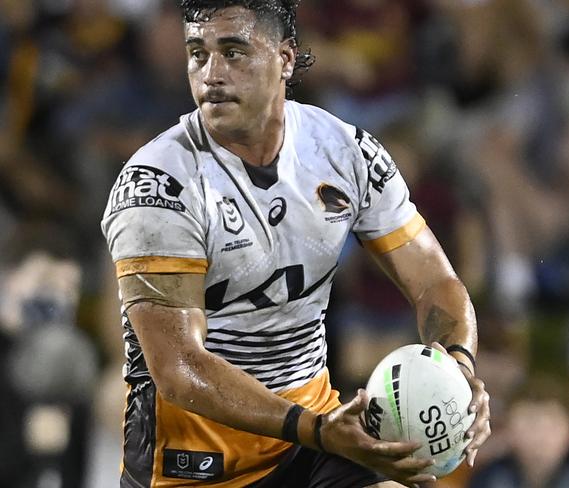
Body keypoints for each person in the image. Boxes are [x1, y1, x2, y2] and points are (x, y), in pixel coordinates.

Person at [100, 1, 491, 487]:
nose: (212, 74)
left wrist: (457, 369)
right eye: (197, 54)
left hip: (310, 440)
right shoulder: (157, 185)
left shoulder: (345, 152)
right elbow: (179, 368)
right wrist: (318, 429)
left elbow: (434, 280)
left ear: (285, 59)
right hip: (194, 461)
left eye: (234, 52)